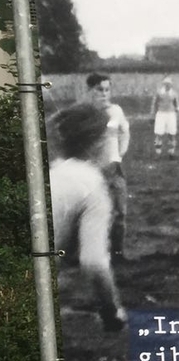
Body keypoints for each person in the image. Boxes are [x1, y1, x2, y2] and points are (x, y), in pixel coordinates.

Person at [47, 103, 127, 332]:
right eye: (108, 138)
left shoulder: (54, 171)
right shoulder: (92, 184)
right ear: (98, 143)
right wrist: (111, 313)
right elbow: (94, 262)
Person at [86, 72, 130, 263]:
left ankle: (117, 254)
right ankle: (88, 254)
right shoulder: (84, 113)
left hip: (115, 169)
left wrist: (120, 154)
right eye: (99, 89)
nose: (104, 93)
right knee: (93, 215)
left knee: (120, 212)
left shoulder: (116, 111)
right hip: (93, 172)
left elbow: (125, 132)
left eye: (107, 89)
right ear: (90, 91)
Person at [150, 75, 179, 158]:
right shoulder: (159, 92)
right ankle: (157, 152)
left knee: (171, 134)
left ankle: (171, 153)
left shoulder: (174, 93)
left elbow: (178, 106)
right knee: (158, 134)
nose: (167, 85)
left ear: (171, 84)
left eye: (169, 84)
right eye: (166, 83)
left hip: (171, 115)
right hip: (161, 114)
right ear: (163, 84)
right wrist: (152, 115)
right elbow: (154, 104)